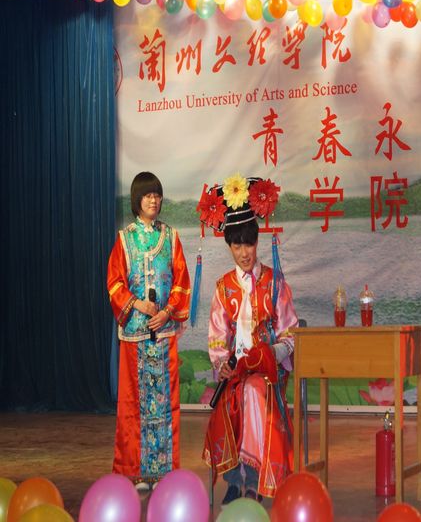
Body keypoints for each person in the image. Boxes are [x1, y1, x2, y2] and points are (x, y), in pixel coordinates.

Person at [200, 174, 298, 503]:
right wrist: (222, 365)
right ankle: (234, 478)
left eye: (249, 244)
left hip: (268, 372)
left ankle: (252, 479)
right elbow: (217, 337)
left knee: (253, 392)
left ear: (258, 242)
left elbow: (290, 333)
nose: (244, 253)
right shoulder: (224, 287)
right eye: (237, 245)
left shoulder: (274, 283)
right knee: (232, 397)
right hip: (235, 372)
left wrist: (270, 353)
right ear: (229, 246)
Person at [106, 171, 191, 491]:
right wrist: (138, 305)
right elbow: (114, 283)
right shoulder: (124, 238)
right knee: (133, 406)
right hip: (136, 335)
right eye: (147, 195)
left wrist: (167, 312)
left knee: (166, 405)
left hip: (164, 333)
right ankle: (136, 472)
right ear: (137, 200)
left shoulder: (171, 237)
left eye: (157, 194)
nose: (153, 200)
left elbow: (181, 282)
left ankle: (163, 472)